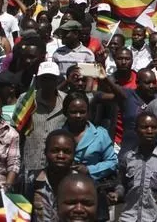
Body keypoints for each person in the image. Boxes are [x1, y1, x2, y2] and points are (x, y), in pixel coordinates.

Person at [61, 90, 117, 218]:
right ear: (65, 112)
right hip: (65, 192)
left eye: (82, 112)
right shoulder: (59, 135)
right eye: (73, 112)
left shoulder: (100, 134)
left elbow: (112, 162)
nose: (78, 115)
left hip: (92, 192)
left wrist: (89, 170)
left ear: (88, 112)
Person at [21, 61, 67, 198]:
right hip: (31, 164)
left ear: (57, 80)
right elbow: (17, 130)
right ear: (39, 80)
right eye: (44, 79)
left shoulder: (66, 100)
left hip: (56, 166)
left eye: (51, 79)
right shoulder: (27, 99)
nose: (48, 83)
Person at [33, 129, 77, 222]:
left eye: (67, 151)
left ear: (74, 154)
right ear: (45, 152)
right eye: (55, 151)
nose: (61, 156)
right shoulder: (30, 181)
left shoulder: (83, 185)